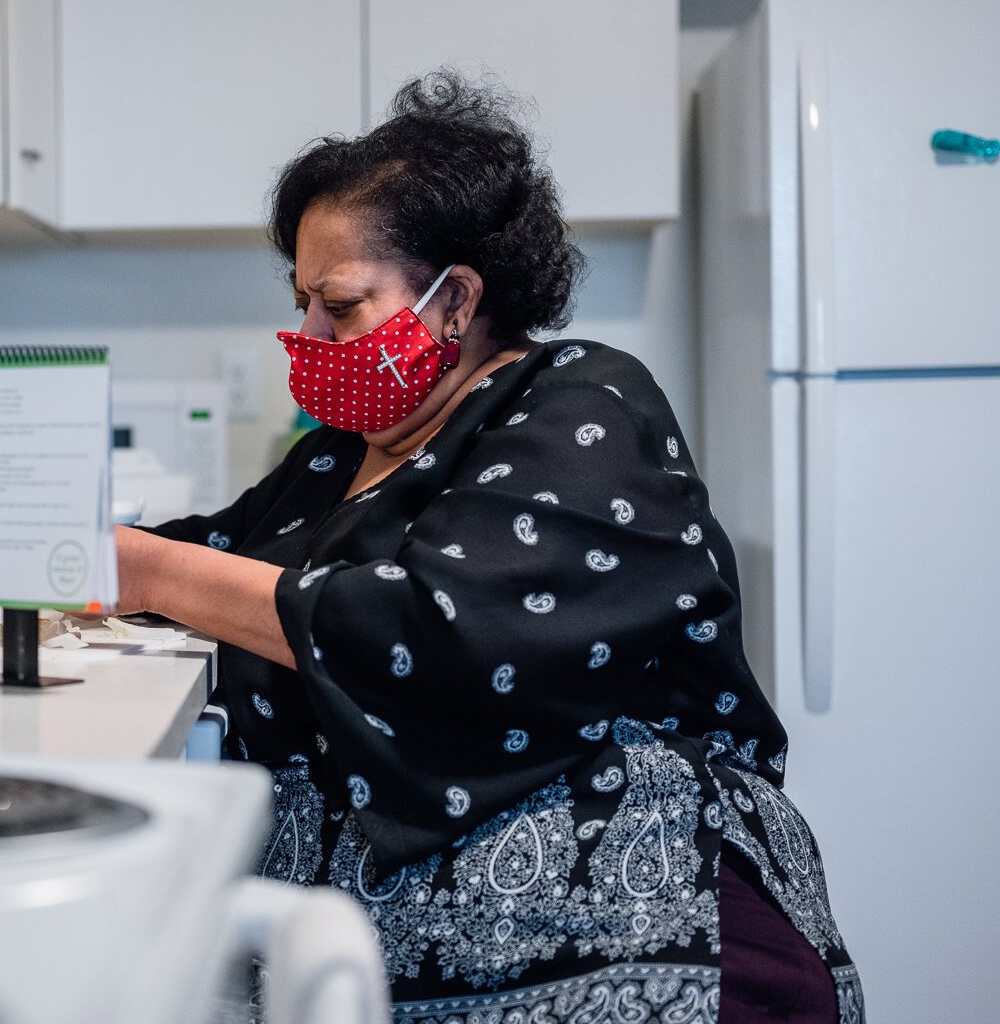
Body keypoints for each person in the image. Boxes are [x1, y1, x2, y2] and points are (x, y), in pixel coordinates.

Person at [113, 71, 862, 1024]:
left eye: (338, 306)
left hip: (643, 931)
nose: (303, 335)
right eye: (302, 302)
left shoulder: (581, 402)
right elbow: (213, 556)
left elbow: (441, 632)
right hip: (374, 950)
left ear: (455, 300)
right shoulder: (337, 456)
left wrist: (141, 567)